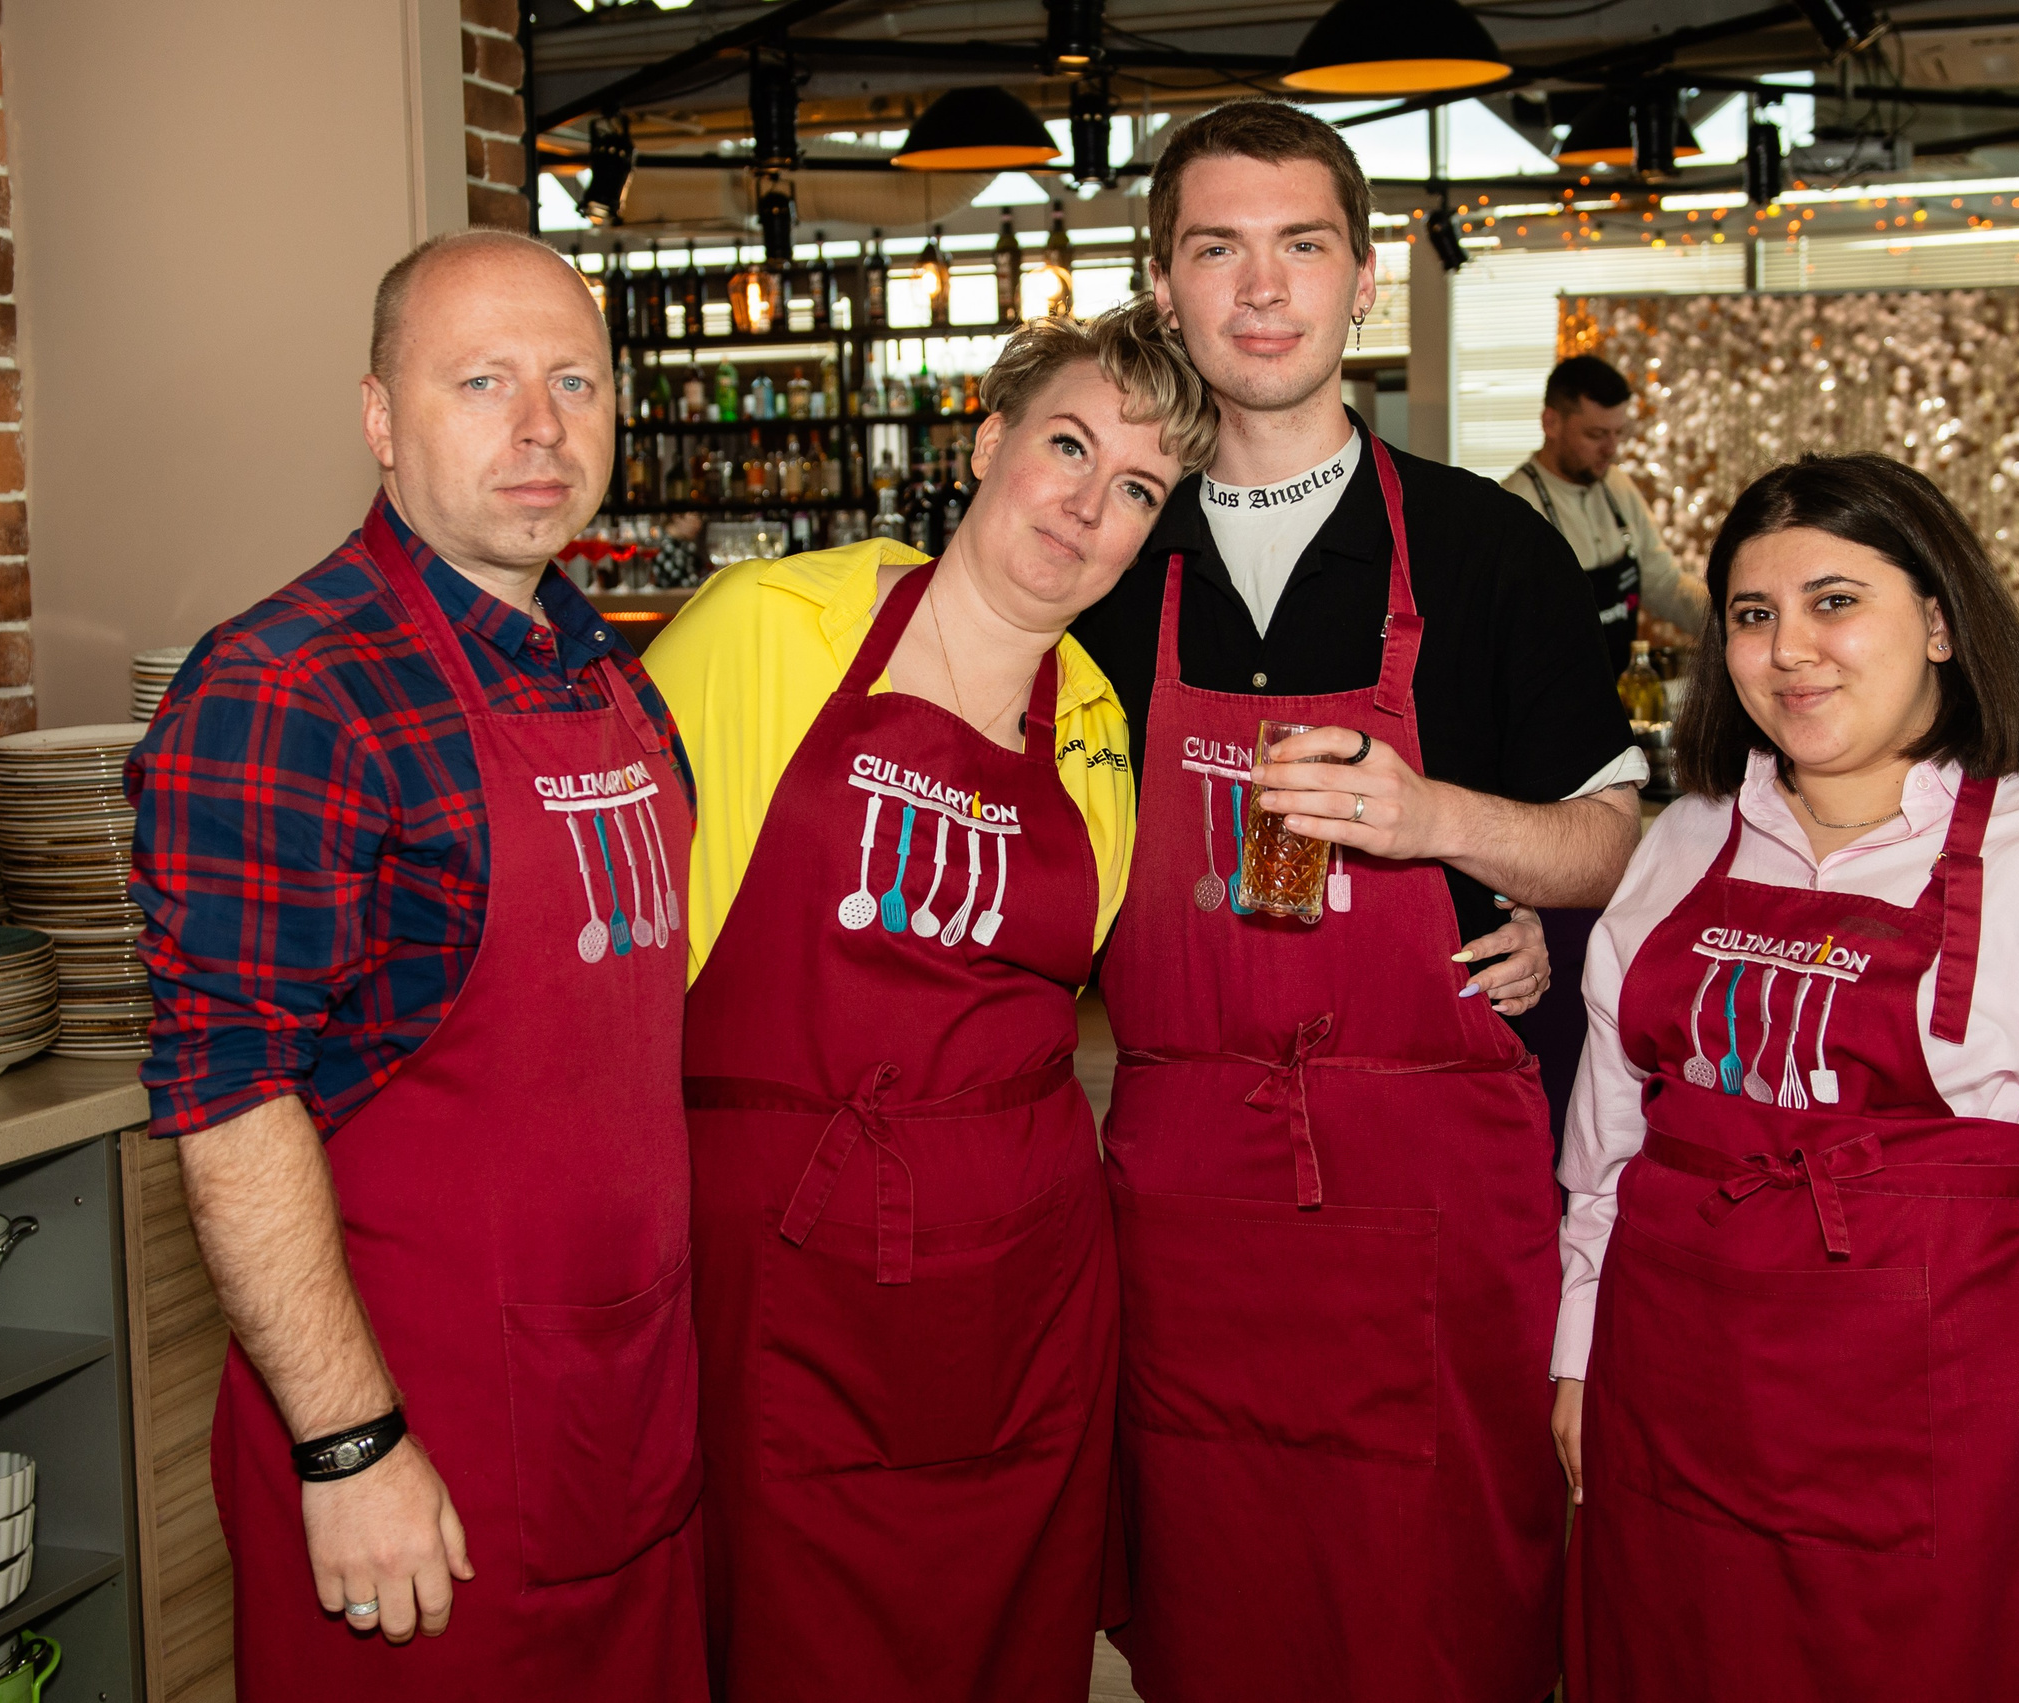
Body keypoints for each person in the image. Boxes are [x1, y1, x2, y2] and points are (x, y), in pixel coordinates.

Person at [1068, 100, 1641, 1703]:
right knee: (1217, 1598)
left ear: (1363, 278)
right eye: (1217, 249)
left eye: (1301, 245)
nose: (1262, 288)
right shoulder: (1106, 562)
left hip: (1435, 1184)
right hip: (1186, 1195)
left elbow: (1614, 841)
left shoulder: (1487, 548)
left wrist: (1444, 823)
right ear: (1165, 282)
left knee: (1443, 1603)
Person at [1551, 453, 2019, 1703]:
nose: (1789, 651)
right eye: (1753, 615)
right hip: (1672, 1415)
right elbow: (1607, 1148)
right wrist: (1576, 1350)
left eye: (1836, 601)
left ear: (1937, 619)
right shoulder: (1680, 841)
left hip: (1950, 1449)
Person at [129, 230, 704, 1697]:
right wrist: (351, 1441)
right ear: (381, 417)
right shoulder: (287, 691)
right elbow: (230, 1097)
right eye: (482, 382)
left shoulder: (614, 675)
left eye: (576, 380)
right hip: (418, 1457)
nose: (540, 428)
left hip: (627, 1428)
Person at [642, 301, 1213, 1701]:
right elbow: (600, 949)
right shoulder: (765, 629)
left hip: (1025, 1290)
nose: (1087, 507)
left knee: (1009, 1641)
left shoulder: (1095, 729)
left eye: (1135, 489)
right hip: (784, 1272)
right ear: (986, 440)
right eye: (1068, 446)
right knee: (788, 1638)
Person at [1500, 354, 1704, 680]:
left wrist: (1732, 620)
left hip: (1618, 686)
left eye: (1618, 433)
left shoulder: (1617, 485)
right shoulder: (1513, 506)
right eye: (1596, 435)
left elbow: (1664, 583)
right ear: (1551, 423)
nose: (1611, 449)